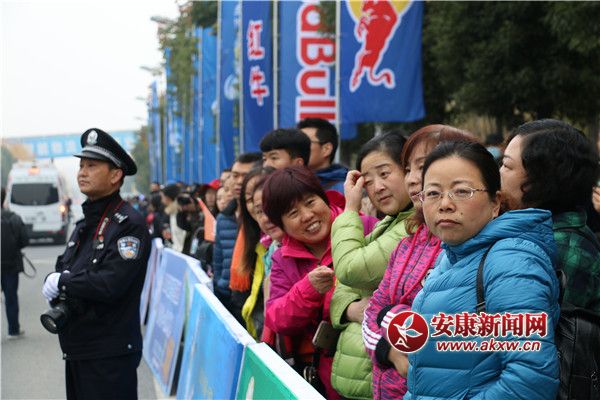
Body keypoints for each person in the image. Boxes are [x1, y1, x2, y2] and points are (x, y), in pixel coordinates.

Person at [403, 141, 560, 399]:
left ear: (495, 202)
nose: (445, 204)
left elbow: (530, 380)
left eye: (462, 191)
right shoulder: (450, 256)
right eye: (432, 193)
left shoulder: (510, 261)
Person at [362, 124, 475, 399]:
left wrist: (388, 314)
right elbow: (372, 312)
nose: (412, 179)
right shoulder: (408, 243)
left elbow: (440, 325)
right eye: (407, 168)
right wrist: (388, 350)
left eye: (422, 167)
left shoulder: (463, 244)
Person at [41, 128, 151, 399]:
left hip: (109, 354)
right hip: (79, 349)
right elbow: (66, 268)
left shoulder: (129, 225)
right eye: (81, 165)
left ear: (115, 176)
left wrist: (63, 282)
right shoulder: (84, 224)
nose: (82, 172)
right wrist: (54, 282)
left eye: (92, 165)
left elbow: (110, 283)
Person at [262, 166, 376, 400]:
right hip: (326, 376)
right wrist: (308, 289)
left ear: (323, 197)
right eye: (293, 213)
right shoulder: (282, 258)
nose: (307, 216)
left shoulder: (365, 226)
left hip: (376, 362)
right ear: (281, 225)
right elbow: (277, 318)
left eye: (310, 202)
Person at [328, 132, 413, 399]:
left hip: (381, 378)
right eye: (368, 181)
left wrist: (350, 209)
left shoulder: (411, 228)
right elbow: (341, 287)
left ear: (410, 170)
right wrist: (351, 308)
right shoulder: (387, 224)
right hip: (360, 375)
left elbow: (349, 269)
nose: (377, 187)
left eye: (384, 174)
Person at [501, 119, 600, 312]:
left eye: (506, 165)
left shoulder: (565, 249)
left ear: (539, 180)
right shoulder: (531, 232)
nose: (498, 173)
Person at [213, 152, 261, 313]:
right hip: (226, 296)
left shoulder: (262, 217)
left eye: (245, 176)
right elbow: (218, 259)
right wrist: (220, 282)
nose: (239, 181)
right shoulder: (223, 217)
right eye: (235, 175)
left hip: (254, 301)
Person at [1, 187, 29, 339]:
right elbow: (24, 241)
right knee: (11, 297)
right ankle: (13, 330)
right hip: (10, 265)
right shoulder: (14, 218)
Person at [297, 118, 348, 193]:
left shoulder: (345, 189)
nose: (297, 148)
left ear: (326, 149)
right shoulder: (291, 184)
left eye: (304, 143)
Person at [160, 183, 185, 251]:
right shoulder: (170, 212)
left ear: (168, 197)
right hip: (175, 249)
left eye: (162, 197)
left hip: (179, 250)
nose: (161, 200)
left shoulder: (178, 212)